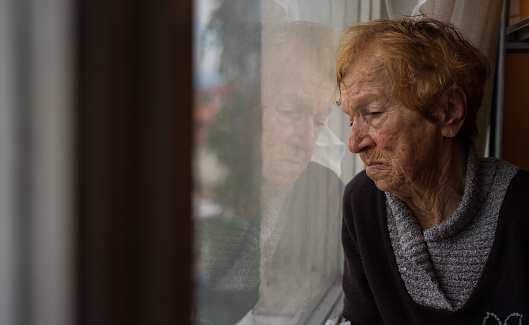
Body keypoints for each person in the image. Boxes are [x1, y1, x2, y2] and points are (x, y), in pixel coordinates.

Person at [336, 17, 529, 324]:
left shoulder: (523, 208)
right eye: (350, 120)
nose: (354, 143)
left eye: (372, 114)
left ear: (449, 111)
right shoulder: (362, 204)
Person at [194, 20, 344, 325]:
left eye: (318, 121)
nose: (306, 141)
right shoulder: (209, 186)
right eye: (290, 112)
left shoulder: (326, 191)